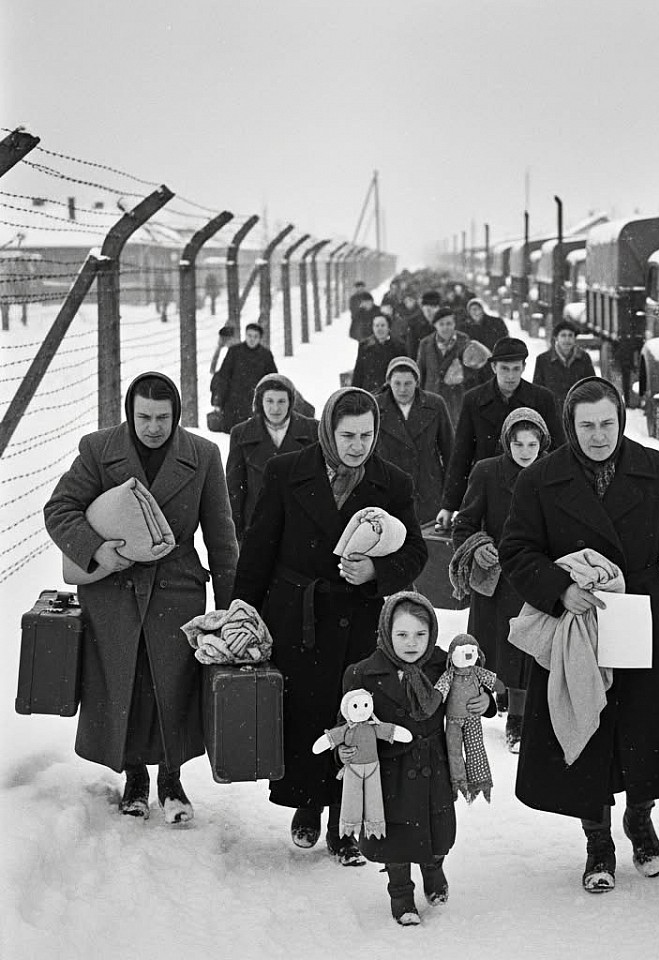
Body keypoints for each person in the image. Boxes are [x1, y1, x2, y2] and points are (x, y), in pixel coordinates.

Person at [498, 376, 659, 893]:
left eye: (608, 424)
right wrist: (559, 589)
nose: (598, 436)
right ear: (569, 426)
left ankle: (639, 821)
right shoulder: (540, 480)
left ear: (622, 420)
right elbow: (517, 550)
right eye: (586, 425)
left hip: (642, 616)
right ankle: (596, 838)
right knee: (589, 726)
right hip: (577, 622)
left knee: (646, 729)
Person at [231, 387, 427, 865]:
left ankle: (345, 818)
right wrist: (241, 612)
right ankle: (306, 805)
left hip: (360, 619)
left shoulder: (392, 482)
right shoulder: (285, 472)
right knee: (305, 713)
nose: (358, 445)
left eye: (367, 434)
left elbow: (415, 551)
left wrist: (377, 573)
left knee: (354, 715)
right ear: (326, 431)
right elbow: (259, 547)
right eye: (348, 435)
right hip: (298, 613)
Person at [44, 371, 238, 823]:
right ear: (130, 414)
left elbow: (222, 537)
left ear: (177, 416)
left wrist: (230, 609)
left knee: (171, 687)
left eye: (163, 417)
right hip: (112, 591)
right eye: (144, 417)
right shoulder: (98, 450)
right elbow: (60, 509)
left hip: (177, 589)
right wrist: (97, 549)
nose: (153, 427)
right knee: (121, 683)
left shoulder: (204, 455)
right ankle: (134, 776)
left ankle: (171, 777)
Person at [339, 591, 496, 925]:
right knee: (394, 840)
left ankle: (433, 868)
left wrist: (485, 702)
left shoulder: (443, 665)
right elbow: (348, 725)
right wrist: (346, 750)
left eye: (420, 635)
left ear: (432, 634)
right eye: (402, 635)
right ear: (386, 633)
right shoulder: (363, 675)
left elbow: (469, 689)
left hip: (432, 766)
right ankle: (401, 893)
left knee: (436, 829)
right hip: (389, 773)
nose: (412, 643)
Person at [452, 407, 551, 751]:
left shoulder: (553, 475)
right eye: (518, 443)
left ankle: (519, 720)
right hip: (495, 581)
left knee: (526, 651)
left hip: (535, 577)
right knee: (496, 650)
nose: (525, 451)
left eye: (532, 444)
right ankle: (501, 695)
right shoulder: (487, 473)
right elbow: (464, 524)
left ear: (543, 444)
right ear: (507, 443)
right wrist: (478, 545)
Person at [436, 337, 562, 528]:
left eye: (515, 369)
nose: (510, 376)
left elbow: (558, 450)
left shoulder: (542, 399)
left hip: (532, 490)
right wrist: (449, 505)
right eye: (504, 368)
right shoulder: (474, 400)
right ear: (494, 367)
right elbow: (462, 453)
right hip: (489, 491)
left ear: (524, 367)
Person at [225, 373, 319, 542]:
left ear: (291, 402)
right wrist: (236, 534)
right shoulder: (241, 434)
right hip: (257, 528)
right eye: (269, 401)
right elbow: (234, 488)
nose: (275, 409)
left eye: (281, 401)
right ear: (260, 402)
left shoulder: (312, 431)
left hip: (301, 529)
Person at [375, 356, 454, 524]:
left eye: (408, 383)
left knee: (428, 545)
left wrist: (450, 499)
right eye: (397, 383)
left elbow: (450, 453)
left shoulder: (435, 404)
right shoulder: (375, 407)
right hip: (389, 492)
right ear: (388, 382)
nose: (402, 389)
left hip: (428, 490)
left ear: (417, 382)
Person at [212, 322, 278, 432]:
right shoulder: (234, 352)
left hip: (256, 404)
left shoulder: (266, 355)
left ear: (260, 338)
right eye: (249, 335)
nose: (252, 339)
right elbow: (223, 377)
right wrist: (218, 400)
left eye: (255, 336)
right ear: (245, 335)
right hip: (233, 404)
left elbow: (272, 380)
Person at [416, 306, 473, 428]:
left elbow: (473, 371)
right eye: (441, 324)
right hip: (432, 396)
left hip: (457, 397)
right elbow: (420, 373)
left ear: (454, 324)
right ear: (435, 325)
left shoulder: (464, 341)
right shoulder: (425, 344)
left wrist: (462, 374)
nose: (445, 327)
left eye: (449, 323)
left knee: (456, 432)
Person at [532, 318, 597, 415]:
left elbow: (592, 388)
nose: (567, 340)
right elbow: (537, 392)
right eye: (563, 335)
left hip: (578, 414)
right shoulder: (543, 360)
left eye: (570, 335)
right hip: (552, 415)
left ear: (575, 338)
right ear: (556, 338)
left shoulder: (584, 359)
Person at [351, 313, 405, 393]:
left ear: (388, 327)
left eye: (382, 325)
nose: (379, 329)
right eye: (376, 326)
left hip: (391, 392)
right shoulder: (365, 346)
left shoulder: (398, 346)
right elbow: (359, 371)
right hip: (370, 392)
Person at [405, 289, 439, 358]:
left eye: (434, 308)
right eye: (427, 310)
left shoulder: (443, 321)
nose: (430, 313)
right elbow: (412, 350)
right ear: (423, 308)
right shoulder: (413, 324)